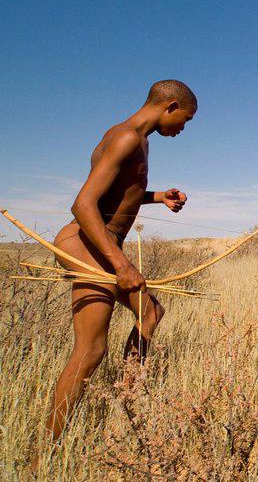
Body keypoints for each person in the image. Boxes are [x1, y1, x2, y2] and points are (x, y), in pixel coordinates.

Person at [42, 79, 196, 443]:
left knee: (151, 312)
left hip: (101, 245)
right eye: (185, 120)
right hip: (85, 244)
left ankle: (126, 398)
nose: (182, 129)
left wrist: (158, 196)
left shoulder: (136, 139)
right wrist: (122, 265)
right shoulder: (126, 137)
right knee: (91, 349)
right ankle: (44, 450)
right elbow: (82, 205)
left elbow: (119, 194)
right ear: (170, 106)